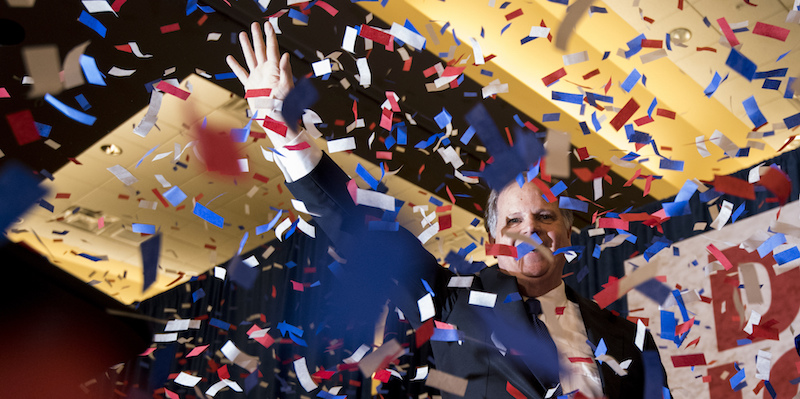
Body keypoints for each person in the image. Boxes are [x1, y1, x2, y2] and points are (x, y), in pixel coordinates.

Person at [227, 21, 669, 399]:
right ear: (493, 239)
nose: (530, 229)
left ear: (568, 231)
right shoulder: (451, 300)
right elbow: (362, 228)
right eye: (513, 221)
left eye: (545, 216)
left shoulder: (628, 339)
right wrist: (285, 132)